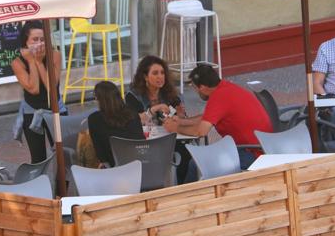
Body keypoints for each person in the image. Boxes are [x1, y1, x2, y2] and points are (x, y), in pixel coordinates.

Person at [163, 64, 273, 182]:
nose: (196, 92)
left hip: (252, 154)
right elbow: (207, 118)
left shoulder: (218, 97)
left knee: (196, 164)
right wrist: (181, 121)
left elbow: (201, 131)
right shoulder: (226, 88)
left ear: (203, 87)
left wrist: (176, 128)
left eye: (195, 88)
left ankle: (187, 197)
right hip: (264, 147)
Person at [126, 55, 190, 183]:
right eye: (155, 73)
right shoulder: (133, 96)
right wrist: (155, 109)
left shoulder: (172, 94)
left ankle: (183, 187)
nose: (160, 77)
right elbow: (135, 121)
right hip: (147, 142)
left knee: (186, 154)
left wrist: (180, 115)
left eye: (162, 73)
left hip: (171, 138)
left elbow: (180, 118)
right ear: (145, 76)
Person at [12, 20, 67, 163]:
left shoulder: (55, 55)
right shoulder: (18, 62)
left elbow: (51, 88)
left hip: (55, 109)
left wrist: (38, 62)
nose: (39, 43)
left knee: (63, 156)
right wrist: (31, 61)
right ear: (26, 42)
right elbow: (34, 89)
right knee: (38, 158)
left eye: (43, 39)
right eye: (35, 39)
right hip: (32, 111)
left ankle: (60, 186)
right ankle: (40, 184)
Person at [88, 81, 145, 168]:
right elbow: (142, 142)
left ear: (98, 99)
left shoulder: (94, 119)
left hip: (115, 171)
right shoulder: (133, 113)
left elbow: (101, 154)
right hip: (141, 166)